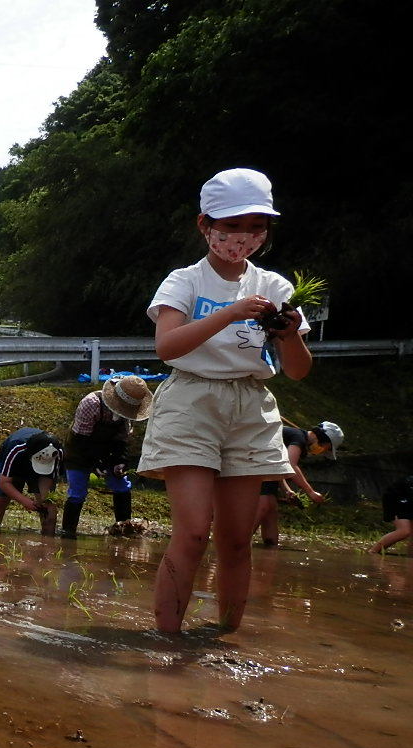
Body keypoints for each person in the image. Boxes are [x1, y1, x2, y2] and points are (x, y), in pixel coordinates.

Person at [137, 168, 314, 632]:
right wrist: (232, 312)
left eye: (255, 226)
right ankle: (168, 641)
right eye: (231, 225)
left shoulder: (275, 286)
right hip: (192, 400)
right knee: (193, 533)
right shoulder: (184, 281)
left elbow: (297, 369)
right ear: (205, 225)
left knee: (236, 541)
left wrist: (290, 333)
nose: (242, 236)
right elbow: (167, 347)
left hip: (251, 405)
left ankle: (224, 640)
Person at [59, 375, 154, 538]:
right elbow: (82, 439)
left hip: (108, 449)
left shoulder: (127, 412)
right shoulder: (91, 403)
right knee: (77, 491)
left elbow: (122, 441)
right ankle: (68, 534)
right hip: (79, 449)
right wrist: (97, 464)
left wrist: (120, 461)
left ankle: (124, 531)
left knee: (122, 486)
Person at [255, 420, 343, 546]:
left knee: (271, 509)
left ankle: (271, 547)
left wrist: (287, 490)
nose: (321, 451)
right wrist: (310, 492)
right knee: (265, 504)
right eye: (325, 448)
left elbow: (279, 467)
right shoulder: (298, 437)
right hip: (256, 461)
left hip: (266, 467)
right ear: (321, 437)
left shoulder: (298, 440)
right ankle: (238, 542)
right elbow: (291, 465)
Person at [0, 428, 63, 534]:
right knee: (0, 501)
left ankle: (48, 539)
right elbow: (4, 482)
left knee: (48, 506)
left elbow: (47, 479)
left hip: (42, 471)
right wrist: (25, 501)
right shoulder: (16, 448)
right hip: (15, 465)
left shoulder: (57, 453)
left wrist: (44, 499)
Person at [370, 475, 413, 555]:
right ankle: (372, 552)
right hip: (397, 497)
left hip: (407, 498)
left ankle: (410, 557)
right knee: (404, 531)